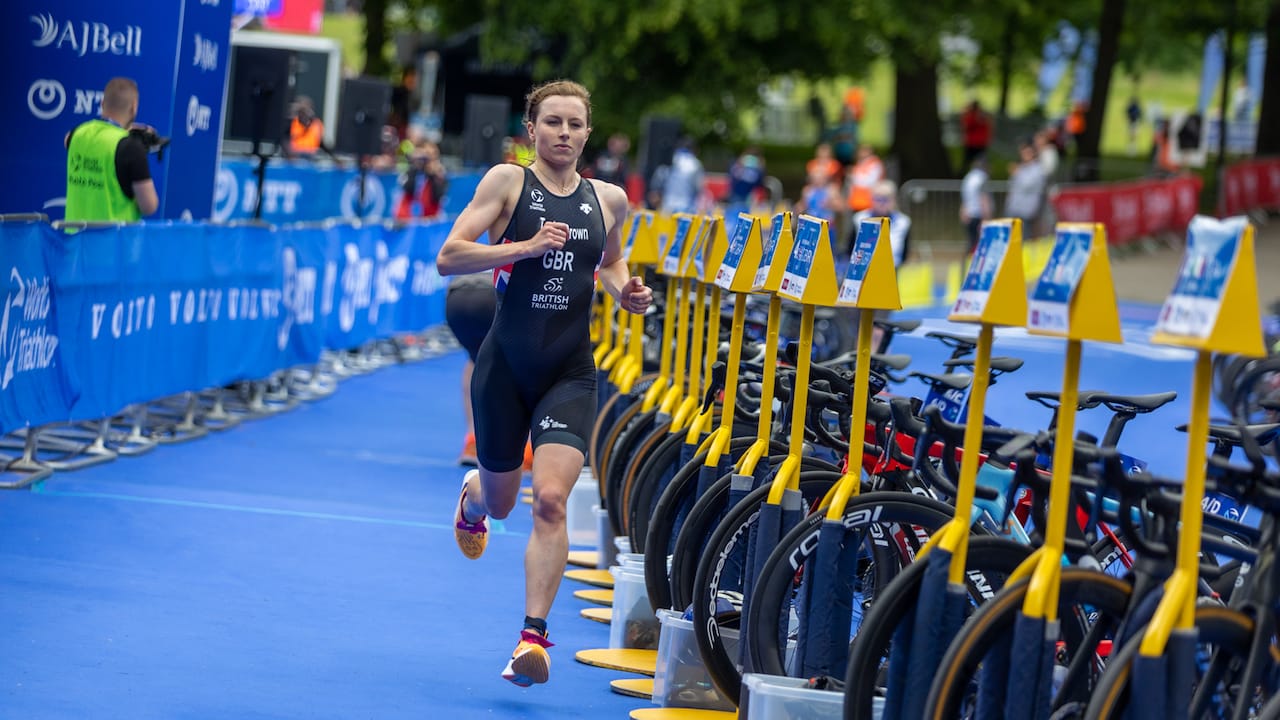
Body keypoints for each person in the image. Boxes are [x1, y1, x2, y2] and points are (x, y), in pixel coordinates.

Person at [435, 79, 653, 687]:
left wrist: (626, 292)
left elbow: (608, 262)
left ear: (588, 133)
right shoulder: (507, 183)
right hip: (505, 368)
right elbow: (449, 256)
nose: (562, 133)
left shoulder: (609, 199)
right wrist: (523, 248)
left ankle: (532, 638)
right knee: (504, 500)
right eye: (551, 122)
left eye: (573, 124)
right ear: (531, 130)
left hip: (569, 369)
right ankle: (475, 497)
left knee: (551, 500)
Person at [64, 77, 159, 222]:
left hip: (74, 241)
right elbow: (149, 206)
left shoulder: (77, 134)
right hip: (114, 242)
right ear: (134, 108)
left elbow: (68, 139)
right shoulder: (131, 149)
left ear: (102, 103)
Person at [851, 179, 912, 267]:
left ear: (894, 200)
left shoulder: (903, 222)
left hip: (892, 268)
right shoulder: (859, 218)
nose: (882, 203)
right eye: (878, 199)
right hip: (863, 269)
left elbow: (905, 252)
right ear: (871, 199)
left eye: (886, 199)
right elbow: (850, 248)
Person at [1004, 139, 1048, 236]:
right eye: (1023, 152)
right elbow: (1012, 187)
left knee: (1025, 240)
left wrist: (1017, 173)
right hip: (1014, 209)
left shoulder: (1038, 169)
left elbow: (1027, 185)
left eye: (1028, 152)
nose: (1025, 155)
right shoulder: (1021, 168)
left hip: (1027, 211)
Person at [660, 137, 705, 215]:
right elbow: (699, 187)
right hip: (686, 206)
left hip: (667, 205)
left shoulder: (671, 159)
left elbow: (660, 178)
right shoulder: (695, 164)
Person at [959, 154, 991, 256]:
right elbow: (984, 197)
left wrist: (963, 211)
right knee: (979, 241)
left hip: (969, 213)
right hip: (978, 213)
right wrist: (987, 216)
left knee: (971, 240)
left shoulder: (968, 177)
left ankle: (969, 260)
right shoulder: (982, 178)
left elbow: (965, 196)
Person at [845, 144, 885, 215]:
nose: (860, 152)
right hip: (857, 202)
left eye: (864, 150)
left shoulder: (874, 163)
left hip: (869, 202)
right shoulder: (861, 163)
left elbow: (869, 182)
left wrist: (852, 175)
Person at [959, 100, 993, 168]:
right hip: (979, 142)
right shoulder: (982, 116)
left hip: (974, 142)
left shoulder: (971, 116)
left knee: (969, 161)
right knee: (979, 160)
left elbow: (965, 127)